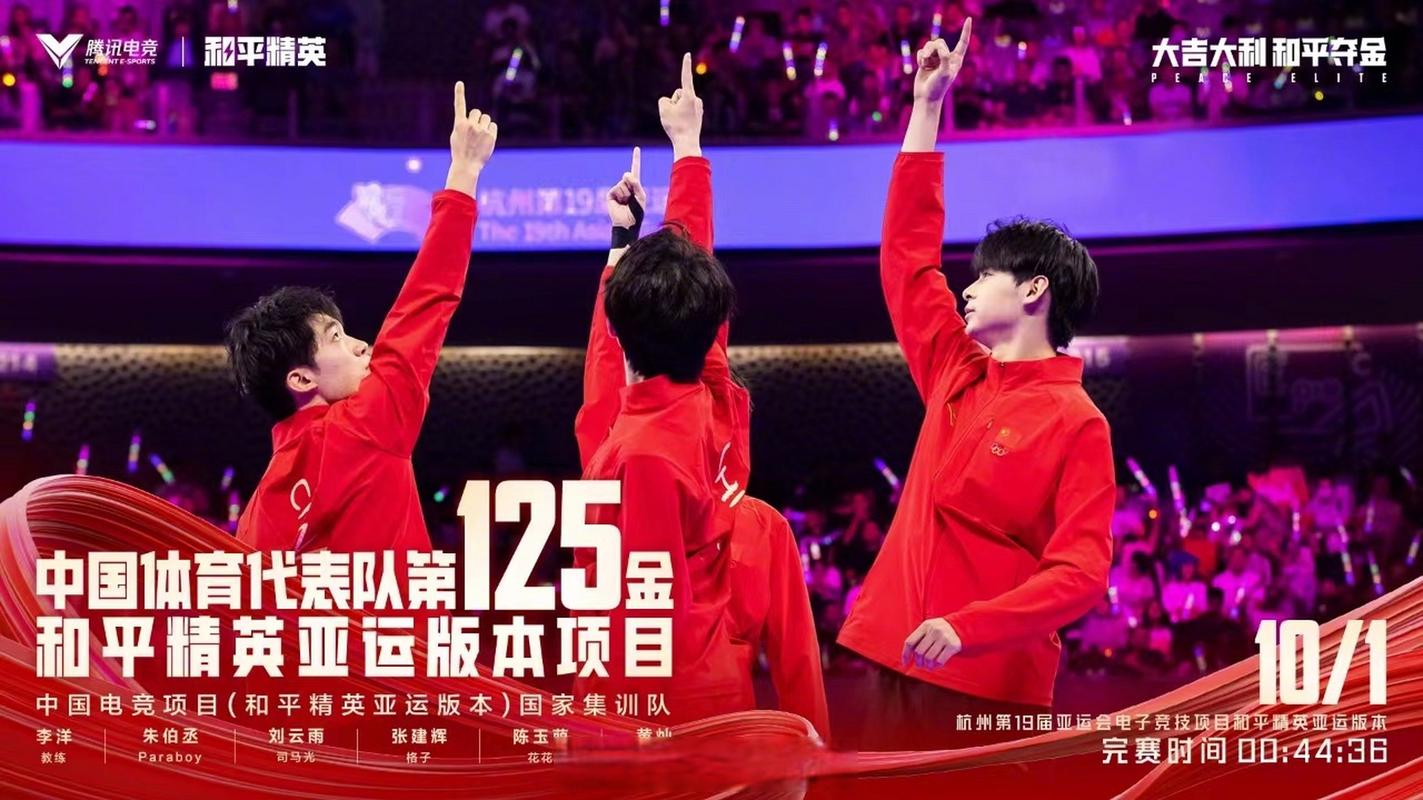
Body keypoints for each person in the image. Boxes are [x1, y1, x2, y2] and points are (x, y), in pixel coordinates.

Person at [836, 18, 1116, 749]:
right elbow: (907, 262)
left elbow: (1082, 572)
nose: (967, 288)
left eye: (985, 275)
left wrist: (970, 628)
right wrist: (925, 108)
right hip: (892, 660)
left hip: (987, 688)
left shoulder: (1077, 421)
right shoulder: (956, 371)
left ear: (1033, 290)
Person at [573, 54, 827, 738]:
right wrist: (687, 149)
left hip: (659, 723)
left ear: (620, 334)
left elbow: (651, 627)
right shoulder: (713, 394)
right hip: (715, 691)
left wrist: (623, 242)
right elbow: (691, 269)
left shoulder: (635, 453)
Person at [224, 83, 495, 555]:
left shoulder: (256, 518)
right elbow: (425, 303)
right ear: (301, 378)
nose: (360, 345)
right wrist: (464, 172)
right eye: (335, 337)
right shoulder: (367, 422)